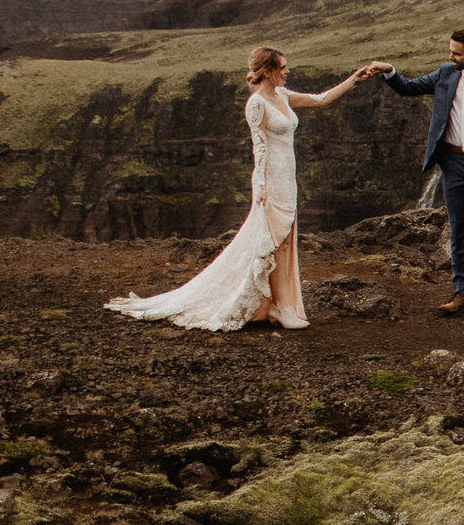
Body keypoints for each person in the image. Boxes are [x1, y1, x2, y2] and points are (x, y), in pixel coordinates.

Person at [106, 45, 369, 331]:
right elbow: (259, 147)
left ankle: (280, 305)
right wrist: (261, 186)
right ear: (267, 71)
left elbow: (321, 100)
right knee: (276, 243)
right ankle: (283, 308)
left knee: (285, 241)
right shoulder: (257, 104)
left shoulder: (282, 95)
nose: (287, 71)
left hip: (287, 180)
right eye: (282, 67)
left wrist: (354, 79)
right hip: (271, 181)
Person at [370, 27, 464, 312]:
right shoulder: (445, 73)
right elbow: (408, 88)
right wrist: (389, 70)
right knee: (458, 228)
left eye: (456, 53)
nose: (451, 57)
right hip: (453, 163)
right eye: (450, 51)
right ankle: (461, 292)